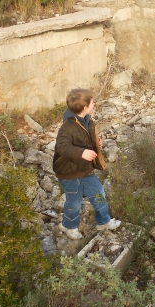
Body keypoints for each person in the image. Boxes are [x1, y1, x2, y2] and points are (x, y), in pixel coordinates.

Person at [53, 88, 121, 240]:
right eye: (92, 102)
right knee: (74, 202)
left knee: (99, 194)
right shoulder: (67, 127)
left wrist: (97, 143)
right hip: (70, 173)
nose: (94, 103)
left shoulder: (88, 120)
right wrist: (81, 152)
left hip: (85, 169)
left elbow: (87, 137)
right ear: (84, 107)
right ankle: (68, 226)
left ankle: (103, 221)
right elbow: (61, 147)